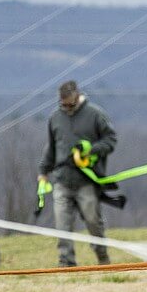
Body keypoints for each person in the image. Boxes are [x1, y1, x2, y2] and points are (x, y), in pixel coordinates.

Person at [38, 80, 117, 267]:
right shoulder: (55, 117)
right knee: (62, 224)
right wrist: (43, 171)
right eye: (63, 104)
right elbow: (51, 147)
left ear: (77, 96)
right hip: (62, 180)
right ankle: (66, 263)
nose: (66, 107)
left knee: (93, 221)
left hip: (87, 181)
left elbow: (111, 140)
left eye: (69, 104)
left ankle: (102, 256)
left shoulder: (95, 114)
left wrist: (92, 150)